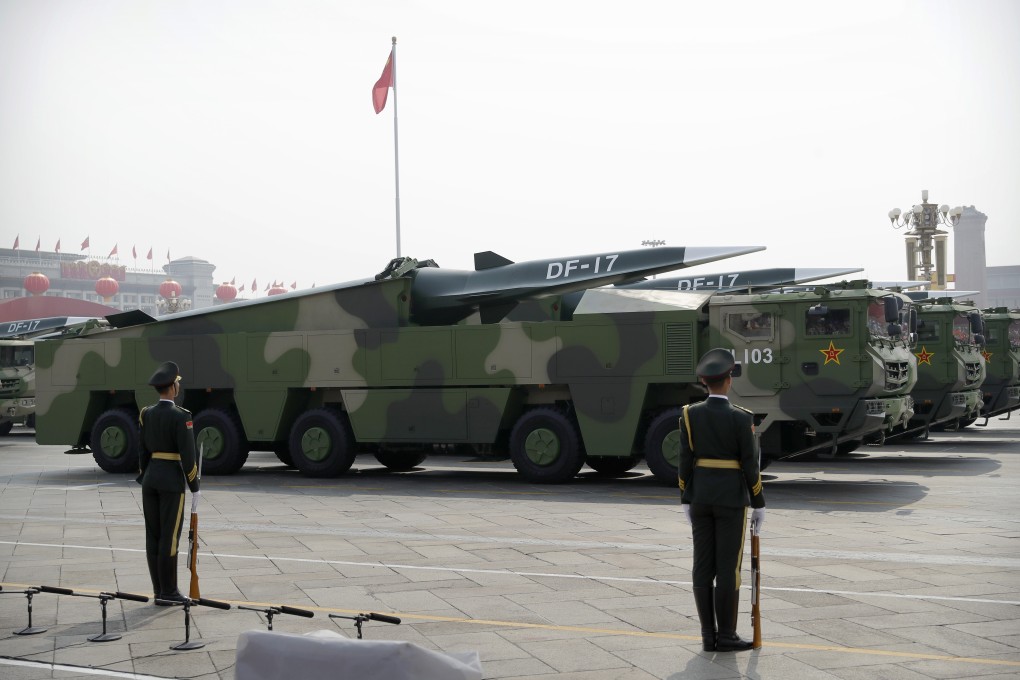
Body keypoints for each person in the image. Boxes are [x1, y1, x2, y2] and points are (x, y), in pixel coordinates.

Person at [678, 348, 765, 652]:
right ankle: (726, 635)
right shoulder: (741, 417)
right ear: (729, 380)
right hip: (730, 500)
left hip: (700, 498)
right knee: (728, 567)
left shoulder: (689, 414)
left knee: (702, 565)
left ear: (705, 382)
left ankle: (707, 636)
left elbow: (684, 460)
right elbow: (750, 464)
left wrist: (685, 496)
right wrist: (759, 502)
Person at [137, 361, 200, 604]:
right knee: (169, 537)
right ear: (173, 387)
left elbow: (142, 450)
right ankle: (170, 592)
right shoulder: (181, 416)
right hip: (171, 481)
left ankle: (158, 591)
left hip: (150, 479)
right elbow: (188, 455)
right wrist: (194, 485)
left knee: (152, 536)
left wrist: (145, 475)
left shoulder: (147, 413)